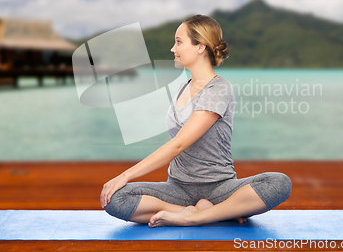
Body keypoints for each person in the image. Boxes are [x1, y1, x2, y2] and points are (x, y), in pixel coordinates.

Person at [100, 14, 292, 228]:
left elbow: (179, 144)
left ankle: (197, 216)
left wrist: (125, 175)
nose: (173, 49)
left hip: (220, 188)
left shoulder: (218, 88)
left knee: (279, 183)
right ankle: (208, 213)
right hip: (178, 189)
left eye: (179, 42)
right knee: (116, 199)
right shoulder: (183, 87)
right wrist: (122, 182)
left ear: (200, 47)